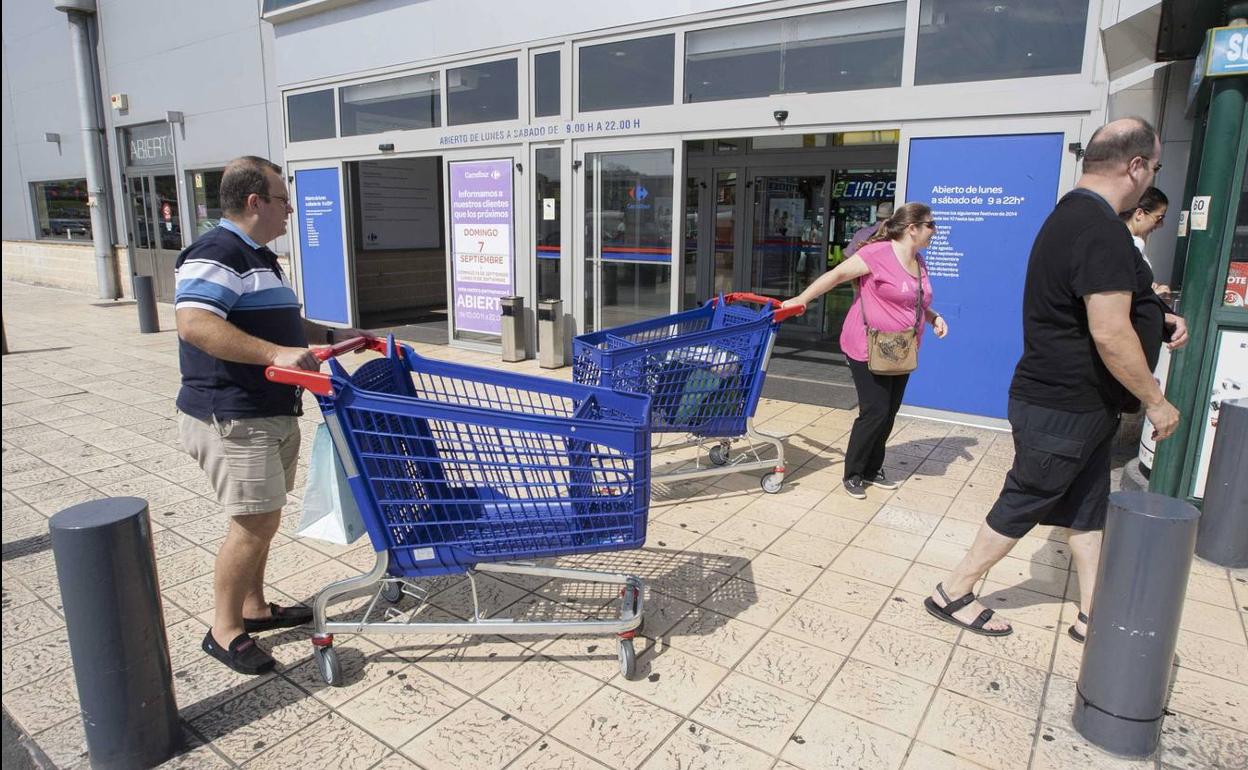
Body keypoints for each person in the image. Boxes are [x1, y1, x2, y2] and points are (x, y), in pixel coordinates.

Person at [925, 118, 1188, 641]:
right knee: (1028, 496)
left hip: (1083, 405)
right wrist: (1156, 400)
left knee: (1088, 507)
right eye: (1154, 166)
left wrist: (1160, 315)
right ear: (1135, 167)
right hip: (1063, 404)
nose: (1152, 175)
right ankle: (953, 590)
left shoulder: (1079, 218)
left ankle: (1092, 610)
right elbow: (1110, 332)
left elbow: (1122, 301)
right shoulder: (1099, 230)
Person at [175, 156, 365, 675]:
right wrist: (273, 354)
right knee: (252, 521)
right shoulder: (216, 251)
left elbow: (280, 321)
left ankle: (254, 608)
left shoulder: (256, 255)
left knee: (264, 517)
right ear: (255, 201)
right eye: (283, 200)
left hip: (269, 411)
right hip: (234, 415)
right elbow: (194, 323)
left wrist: (330, 337)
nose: (289, 212)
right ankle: (224, 629)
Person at [782, 202, 947, 499]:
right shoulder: (876, 254)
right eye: (931, 225)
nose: (934, 231)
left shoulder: (919, 261)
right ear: (912, 228)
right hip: (866, 345)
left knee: (890, 411)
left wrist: (933, 316)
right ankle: (854, 472)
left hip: (901, 348)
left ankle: (873, 469)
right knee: (875, 410)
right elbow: (834, 277)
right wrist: (801, 299)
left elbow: (915, 299)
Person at [1120, 186, 1172, 301]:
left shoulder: (1118, 237)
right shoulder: (1133, 244)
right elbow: (1124, 291)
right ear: (1139, 214)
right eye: (1159, 218)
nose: (1160, 225)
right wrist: (1153, 293)